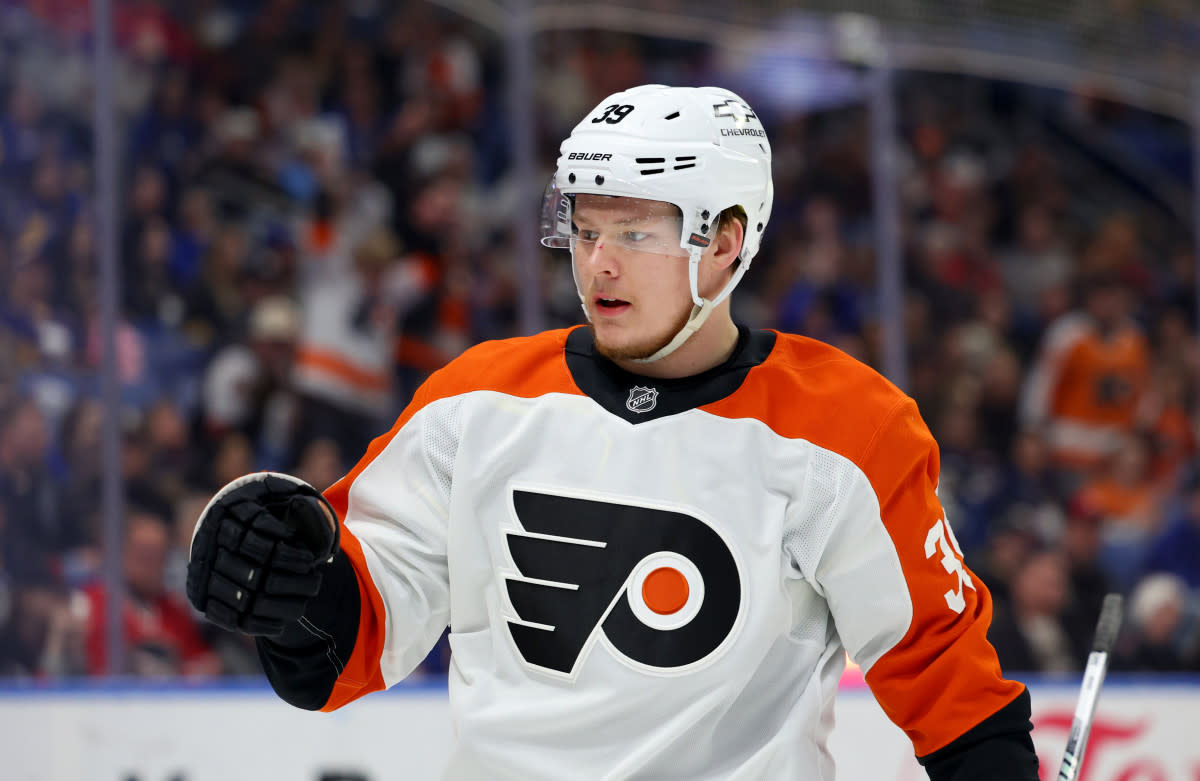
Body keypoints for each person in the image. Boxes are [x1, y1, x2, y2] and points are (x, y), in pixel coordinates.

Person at [186, 85, 1038, 779]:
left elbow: (948, 684)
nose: (598, 263)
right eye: (587, 229)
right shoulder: (474, 401)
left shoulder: (848, 429)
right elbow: (347, 642)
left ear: (725, 243)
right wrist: (291, 589)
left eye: (635, 232)